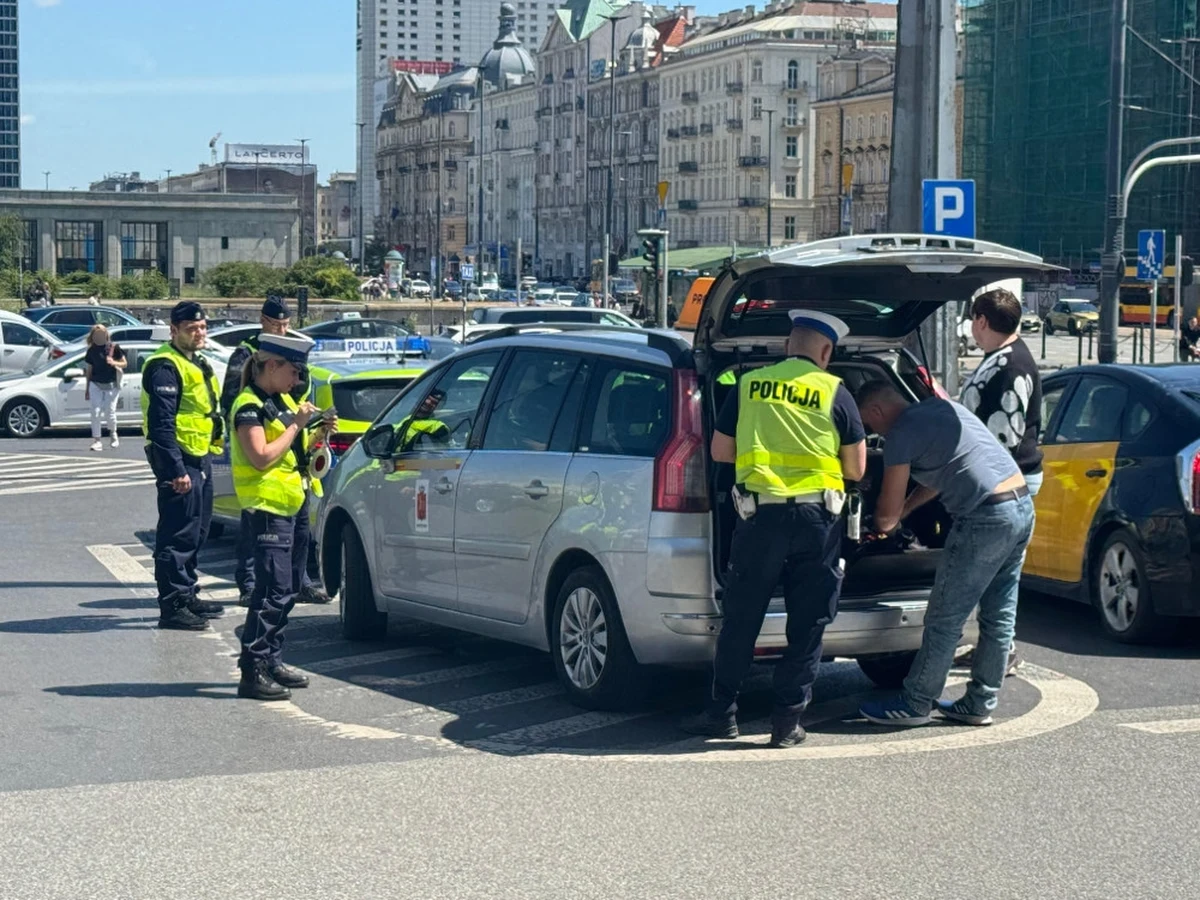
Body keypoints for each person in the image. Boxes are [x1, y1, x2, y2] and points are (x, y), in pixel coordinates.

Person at [681, 310, 867, 748]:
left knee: (742, 618)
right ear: (826, 353)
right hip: (816, 522)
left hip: (760, 518)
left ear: (787, 346)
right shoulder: (835, 391)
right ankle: (786, 724)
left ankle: (721, 714)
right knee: (808, 622)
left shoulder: (749, 386)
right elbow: (857, 467)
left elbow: (722, 451)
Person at [855, 383, 1034, 727]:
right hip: (1021, 504)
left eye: (867, 424)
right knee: (998, 614)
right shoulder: (942, 409)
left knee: (944, 617)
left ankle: (916, 702)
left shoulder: (901, 435)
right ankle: (980, 702)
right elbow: (940, 478)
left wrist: (881, 527)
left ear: (876, 411)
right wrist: (906, 511)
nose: (870, 432)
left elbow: (885, 518)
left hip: (984, 518)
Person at [231, 333, 336, 701]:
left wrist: (317, 434)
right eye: (293, 372)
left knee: (289, 589)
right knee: (271, 591)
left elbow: (292, 455)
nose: (296, 381)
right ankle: (253, 669)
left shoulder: (279, 400)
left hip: (291, 506)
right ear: (272, 366)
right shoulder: (249, 405)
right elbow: (261, 455)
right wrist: (295, 427)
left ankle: (272, 659)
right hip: (267, 509)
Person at [953, 287, 1044, 674]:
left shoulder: (1010, 366)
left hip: (1004, 484)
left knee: (996, 575)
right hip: (1008, 481)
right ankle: (995, 647)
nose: (971, 329)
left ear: (982, 321)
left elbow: (1004, 436)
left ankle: (999, 651)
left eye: (973, 321)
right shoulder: (1003, 358)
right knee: (998, 576)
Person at [142, 301, 225, 630]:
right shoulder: (165, 365)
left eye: (203, 327)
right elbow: (162, 424)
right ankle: (173, 605)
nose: (199, 333)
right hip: (178, 459)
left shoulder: (198, 362)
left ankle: (187, 592)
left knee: (197, 531)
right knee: (177, 534)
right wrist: (175, 469)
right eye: (192, 329)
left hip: (199, 456)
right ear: (174, 330)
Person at [83, 324, 127, 452]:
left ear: (106, 335)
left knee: (110, 411)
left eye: (101, 335)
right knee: (95, 411)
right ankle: (97, 440)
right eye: (96, 335)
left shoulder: (113, 347)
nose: (99, 337)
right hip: (95, 383)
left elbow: (124, 363)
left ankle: (113, 433)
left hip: (112, 384)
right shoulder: (91, 350)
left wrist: (114, 362)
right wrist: (87, 388)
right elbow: (89, 369)